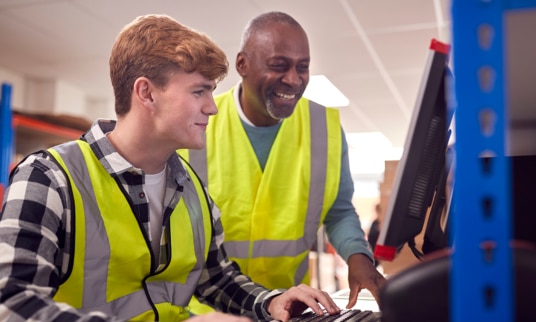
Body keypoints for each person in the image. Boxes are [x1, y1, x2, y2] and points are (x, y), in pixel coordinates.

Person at [0, 14, 342, 322]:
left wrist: (271, 301)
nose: (212, 108)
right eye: (199, 92)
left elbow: (216, 278)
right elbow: (11, 303)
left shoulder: (192, 188)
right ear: (147, 94)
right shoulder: (49, 178)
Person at [181, 11, 387, 309]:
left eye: (302, 67)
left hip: (289, 307)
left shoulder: (324, 128)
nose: (293, 79)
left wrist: (359, 258)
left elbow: (338, 210)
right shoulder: (199, 124)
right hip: (209, 310)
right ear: (243, 64)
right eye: (279, 65)